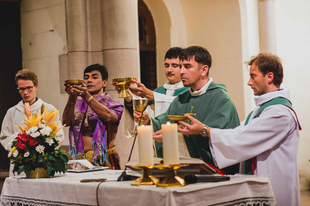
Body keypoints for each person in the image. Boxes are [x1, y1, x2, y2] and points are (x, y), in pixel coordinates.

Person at [179, 53, 301, 206]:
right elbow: (236, 133)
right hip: (262, 182)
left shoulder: (279, 113)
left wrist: (205, 129)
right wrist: (204, 129)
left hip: (275, 186)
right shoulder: (262, 110)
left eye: (253, 76)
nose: (249, 82)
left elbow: (241, 139)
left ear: (269, 77)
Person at [149, 46, 240, 174]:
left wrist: (173, 138)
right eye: (180, 67)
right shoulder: (182, 99)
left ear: (204, 70)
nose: (181, 71)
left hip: (214, 173)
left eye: (187, 66)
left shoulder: (220, 99)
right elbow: (164, 123)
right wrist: (148, 121)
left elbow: (219, 138)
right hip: (184, 172)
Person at [0, 69, 64, 176]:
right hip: (20, 164)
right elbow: (4, 137)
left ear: (36, 87)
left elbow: (59, 136)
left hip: (43, 164)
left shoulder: (48, 109)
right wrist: (20, 142)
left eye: (29, 88)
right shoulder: (12, 112)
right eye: (21, 89)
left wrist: (42, 144)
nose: (25, 92)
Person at [63, 64, 124, 169]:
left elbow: (109, 117)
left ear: (104, 82)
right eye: (86, 78)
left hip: (104, 160)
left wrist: (86, 96)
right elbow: (65, 122)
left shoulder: (113, 105)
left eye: (94, 77)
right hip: (80, 161)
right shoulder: (77, 105)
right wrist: (72, 98)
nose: (89, 80)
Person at [113, 47, 189, 124]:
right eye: (166, 65)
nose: (169, 70)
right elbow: (143, 116)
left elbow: (179, 105)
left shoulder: (189, 91)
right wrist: (128, 98)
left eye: (174, 66)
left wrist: (151, 95)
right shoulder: (158, 91)